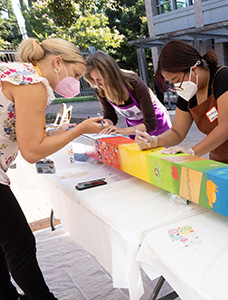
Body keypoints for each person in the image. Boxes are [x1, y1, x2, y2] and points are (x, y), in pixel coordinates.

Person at [0, 38, 104, 299]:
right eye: (77, 74)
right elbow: (33, 151)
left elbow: (15, 127)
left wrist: (51, 132)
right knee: (20, 243)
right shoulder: (32, 83)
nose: (76, 83)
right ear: (58, 62)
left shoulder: (14, 72)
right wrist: (79, 130)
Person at [135, 40, 228, 175]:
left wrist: (192, 152)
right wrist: (155, 140)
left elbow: (226, 127)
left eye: (176, 80)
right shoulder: (187, 93)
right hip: (220, 152)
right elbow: (177, 131)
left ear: (193, 69)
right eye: (171, 83)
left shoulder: (225, 78)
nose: (177, 87)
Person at [84, 51, 171, 139]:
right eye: (94, 79)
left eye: (100, 79)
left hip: (157, 124)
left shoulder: (135, 84)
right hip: (134, 127)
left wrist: (122, 131)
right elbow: (111, 117)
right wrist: (104, 124)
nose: (98, 84)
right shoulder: (100, 89)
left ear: (111, 74)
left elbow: (150, 124)